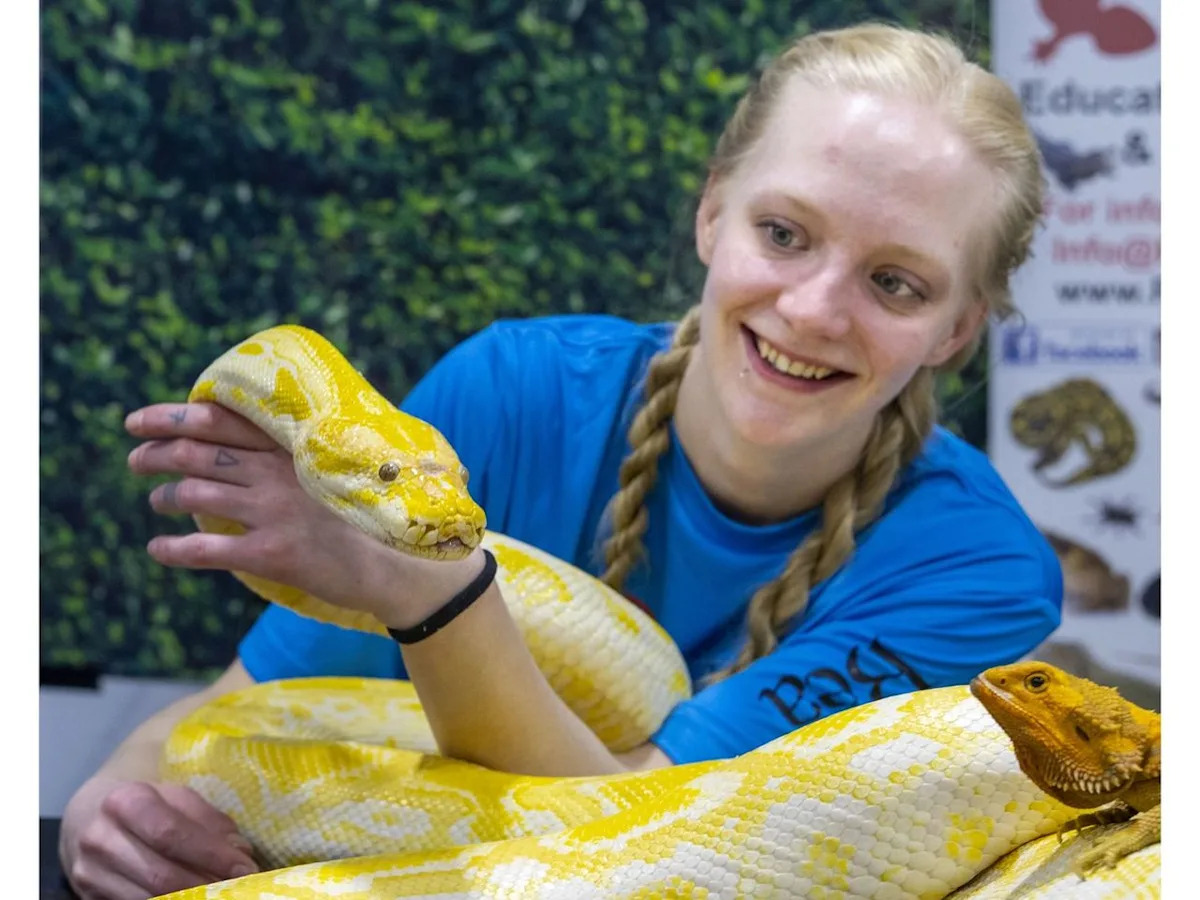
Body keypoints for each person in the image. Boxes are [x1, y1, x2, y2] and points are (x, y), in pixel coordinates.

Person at [59, 21, 1062, 900]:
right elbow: (230, 720)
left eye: (895, 283)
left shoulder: (975, 573)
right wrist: (113, 799)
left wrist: (436, 598)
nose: (812, 308)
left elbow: (639, 839)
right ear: (713, 214)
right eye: (784, 233)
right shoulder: (508, 394)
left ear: (956, 330)